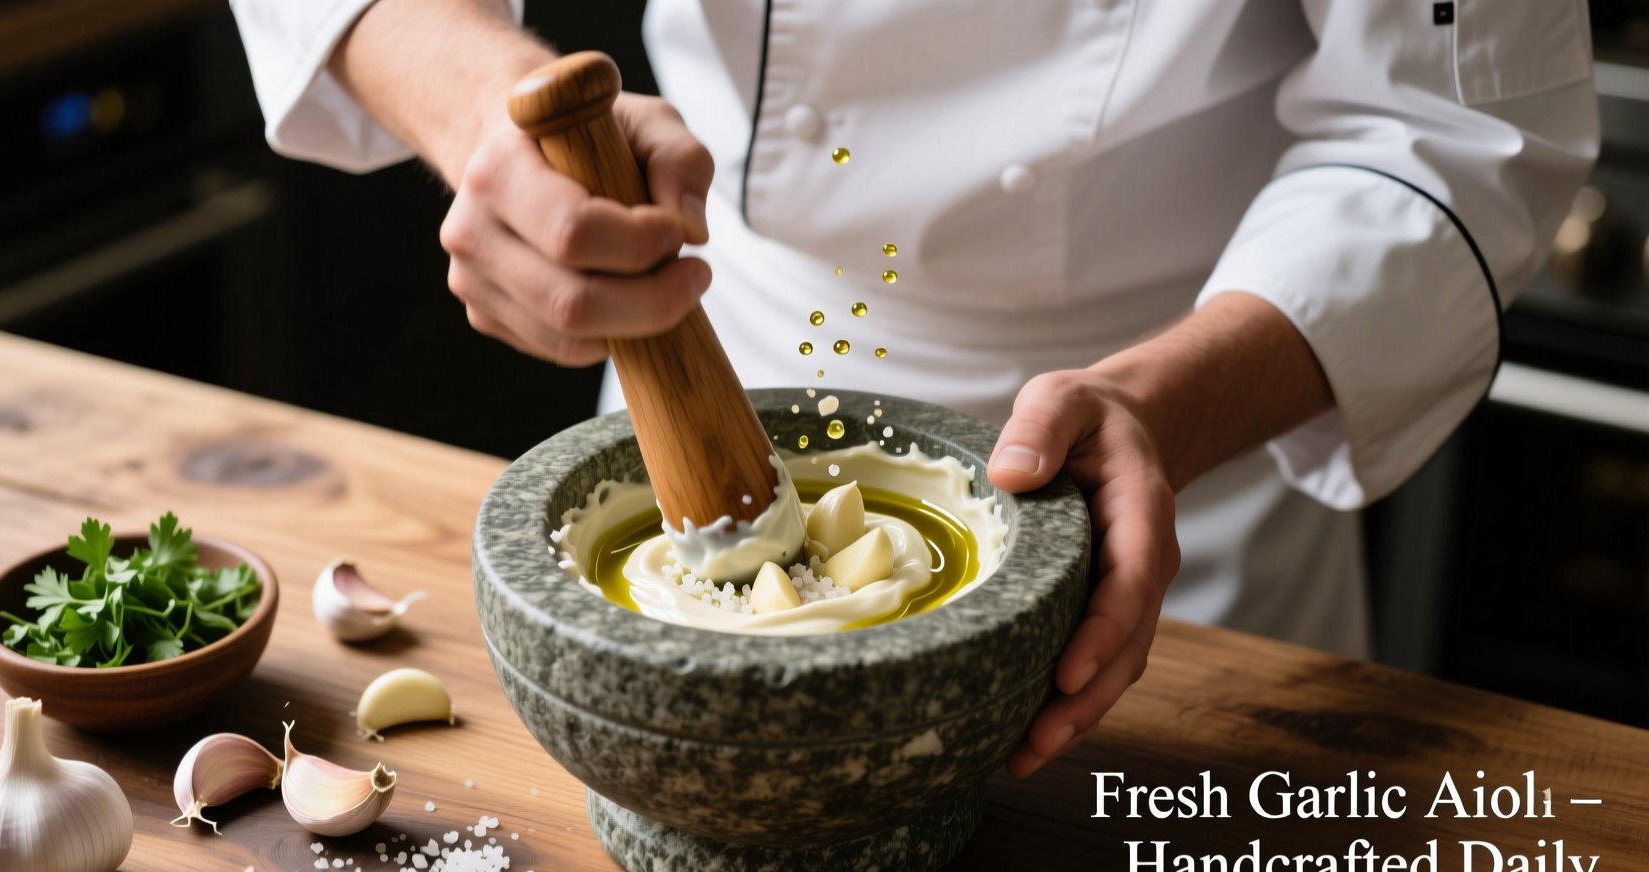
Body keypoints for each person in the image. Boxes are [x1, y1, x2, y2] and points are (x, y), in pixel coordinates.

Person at [231, 0, 1597, 777]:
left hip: (1180, 445)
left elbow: (1459, 129)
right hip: (712, 328)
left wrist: (1161, 408)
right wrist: (494, 121)